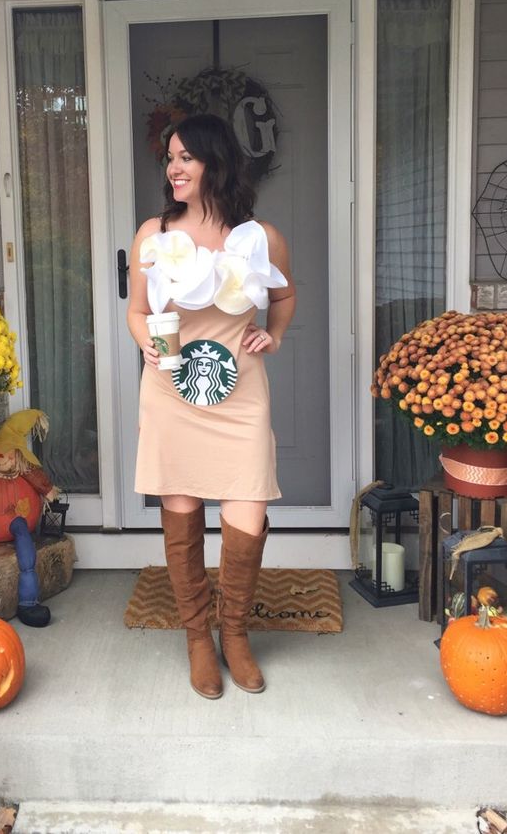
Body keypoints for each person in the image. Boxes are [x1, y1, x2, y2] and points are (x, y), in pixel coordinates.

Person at [127, 113, 296, 699]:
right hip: (174, 388)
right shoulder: (154, 233)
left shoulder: (260, 238)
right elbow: (137, 311)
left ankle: (236, 634)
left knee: (247, 510)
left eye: (185, 158)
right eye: (169, 158)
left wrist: (272, 334)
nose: (172, 168)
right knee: (182, 514)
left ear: (214, 163)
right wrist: (147, 343)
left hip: (240, 391)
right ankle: (199, 638)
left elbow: (285, 293)